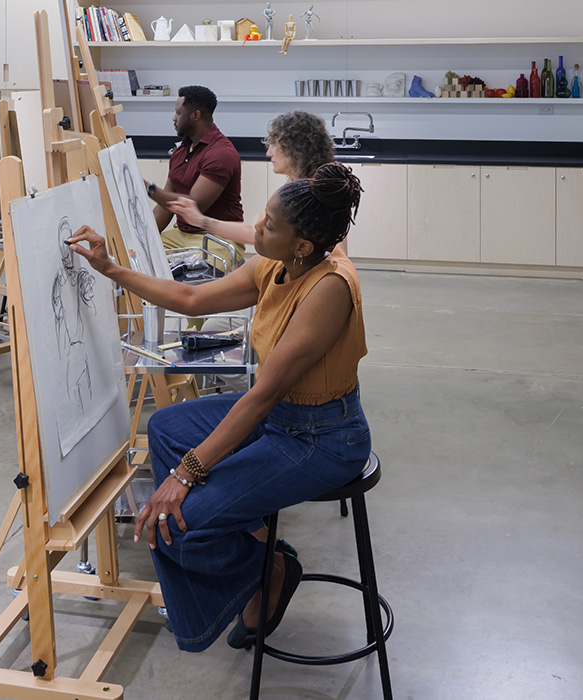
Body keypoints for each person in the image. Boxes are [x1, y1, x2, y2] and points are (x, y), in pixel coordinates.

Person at [67, 162, 370, 652]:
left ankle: (268, 570)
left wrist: (185, 475)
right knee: (166, 427)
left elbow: (262, 396)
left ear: (303, 246)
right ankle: (260, 557)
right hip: (281, 418)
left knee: (174, 527)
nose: (256, 229)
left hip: (322, 439)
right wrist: (109, 269)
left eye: (269, 226)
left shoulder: (329, 288)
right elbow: (188, 297)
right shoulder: (275, 264)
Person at [168, 111, 335, 248]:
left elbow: (254, 234)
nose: (269, 153)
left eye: (275, 145)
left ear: (296, 149)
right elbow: (255, 230)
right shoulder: (306, 187)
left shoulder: (309, 196)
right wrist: (200, 220)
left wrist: (200, 220)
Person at [145, 85, 244, 270]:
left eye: (178, 113)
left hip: (218, 236)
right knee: (137, 257)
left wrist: (150, 189)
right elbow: (165, 207)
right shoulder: (181, 151)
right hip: (181, 235)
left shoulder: (220, 153)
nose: (174, 118)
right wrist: (142, 236)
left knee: (199, 277)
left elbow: (194, 205)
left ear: (195, 115)